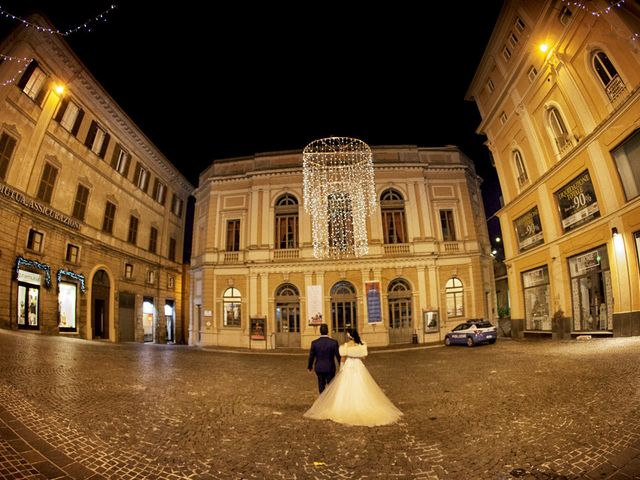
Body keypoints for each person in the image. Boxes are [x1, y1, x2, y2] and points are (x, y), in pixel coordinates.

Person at [304, 327, 403, 427]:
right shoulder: (361, 344)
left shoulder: (345, 346)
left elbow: (342, 358)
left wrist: (341, 369)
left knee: (343, 387)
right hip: (358, 366)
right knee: (362, 386)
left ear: (349, 335)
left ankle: (329, 404)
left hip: (348, 366)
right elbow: (363, 357)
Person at [307, 323, 341, 394]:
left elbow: (311, 356)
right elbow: (338, 356)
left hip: (319, 367)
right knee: (331, 387)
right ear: (328, 331)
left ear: (320, 331)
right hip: (330, 367)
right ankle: (330, 402)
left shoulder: (314, 343)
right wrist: (341, 365)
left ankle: (322, 401)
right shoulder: (334, 342)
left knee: (321, 386)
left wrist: (309, 367)